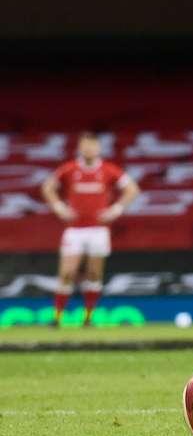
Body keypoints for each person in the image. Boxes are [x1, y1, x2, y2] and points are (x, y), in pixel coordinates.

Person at [41, 132, 140, 327]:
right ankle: (57, 318)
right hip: (75, 229)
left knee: (94, 274)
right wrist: (59, 207)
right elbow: (48, 187)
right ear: (79, 148)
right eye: (85, 145)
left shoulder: (108, 170)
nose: (89, 149)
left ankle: (88, 318)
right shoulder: (69, 169)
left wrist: (116, 209)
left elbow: (132, 189)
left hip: (98, 230)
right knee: (67, 272)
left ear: (99, 148)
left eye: (92, 146)